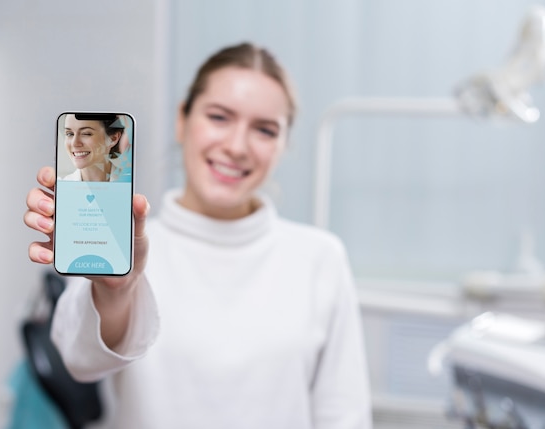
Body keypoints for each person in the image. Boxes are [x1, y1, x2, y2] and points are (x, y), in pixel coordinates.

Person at [24, 42, 372, 429]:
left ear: (283, 145)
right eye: (220, 117)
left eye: (264, 129)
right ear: (182, 119)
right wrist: (116, 291)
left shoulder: (320, 258)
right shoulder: (125, 249)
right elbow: (79, 360)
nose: (237, 146)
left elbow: (344, 415)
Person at [59, 113, 129, 182]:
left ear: (113, 138)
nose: (74, 143)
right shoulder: (59, 188)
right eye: (69, 134)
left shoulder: (132, 183)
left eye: (86, 133)